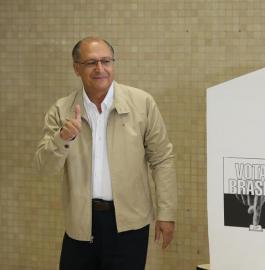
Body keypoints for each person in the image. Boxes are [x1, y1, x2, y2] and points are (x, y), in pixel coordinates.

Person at [34, 37, 177, 270]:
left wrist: (167, 213)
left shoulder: (142, 103)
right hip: (81, 224)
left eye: (106, 61)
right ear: (76, 68)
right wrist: (62, 139)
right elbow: (43, 168)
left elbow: (162, 159)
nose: (100, 69)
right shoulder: (62, 110)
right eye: (91, 62)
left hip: (130, 224)